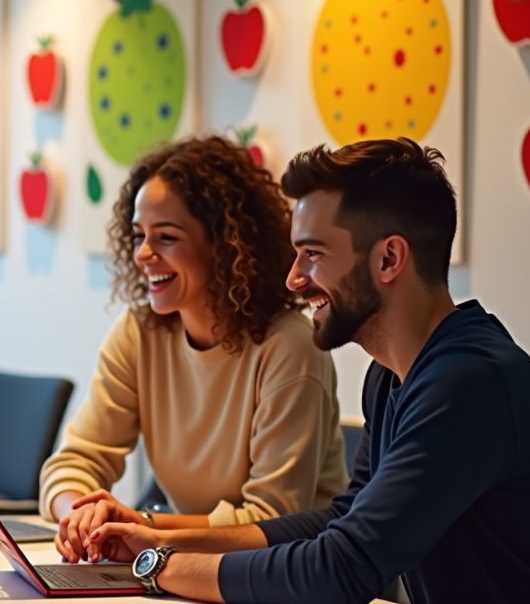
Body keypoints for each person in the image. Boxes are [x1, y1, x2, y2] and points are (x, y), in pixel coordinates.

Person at [88, 138, 530, 604]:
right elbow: (342, 519)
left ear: (388, 259)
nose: (294, 279)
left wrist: (164, 569)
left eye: (313, 254)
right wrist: (165, 540)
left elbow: (341, 570)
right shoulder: (392, 375)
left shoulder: (469, 380)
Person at [40, 135, 348, 564]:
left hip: (301, 578)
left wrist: (143, 526)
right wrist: (81, 515)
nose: (143, 255)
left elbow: (273, 519)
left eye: (165, 237)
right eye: (138, 236)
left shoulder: (290, 347)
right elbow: (74, 460)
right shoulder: (138, 333)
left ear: (225, 245)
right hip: (198, 567)